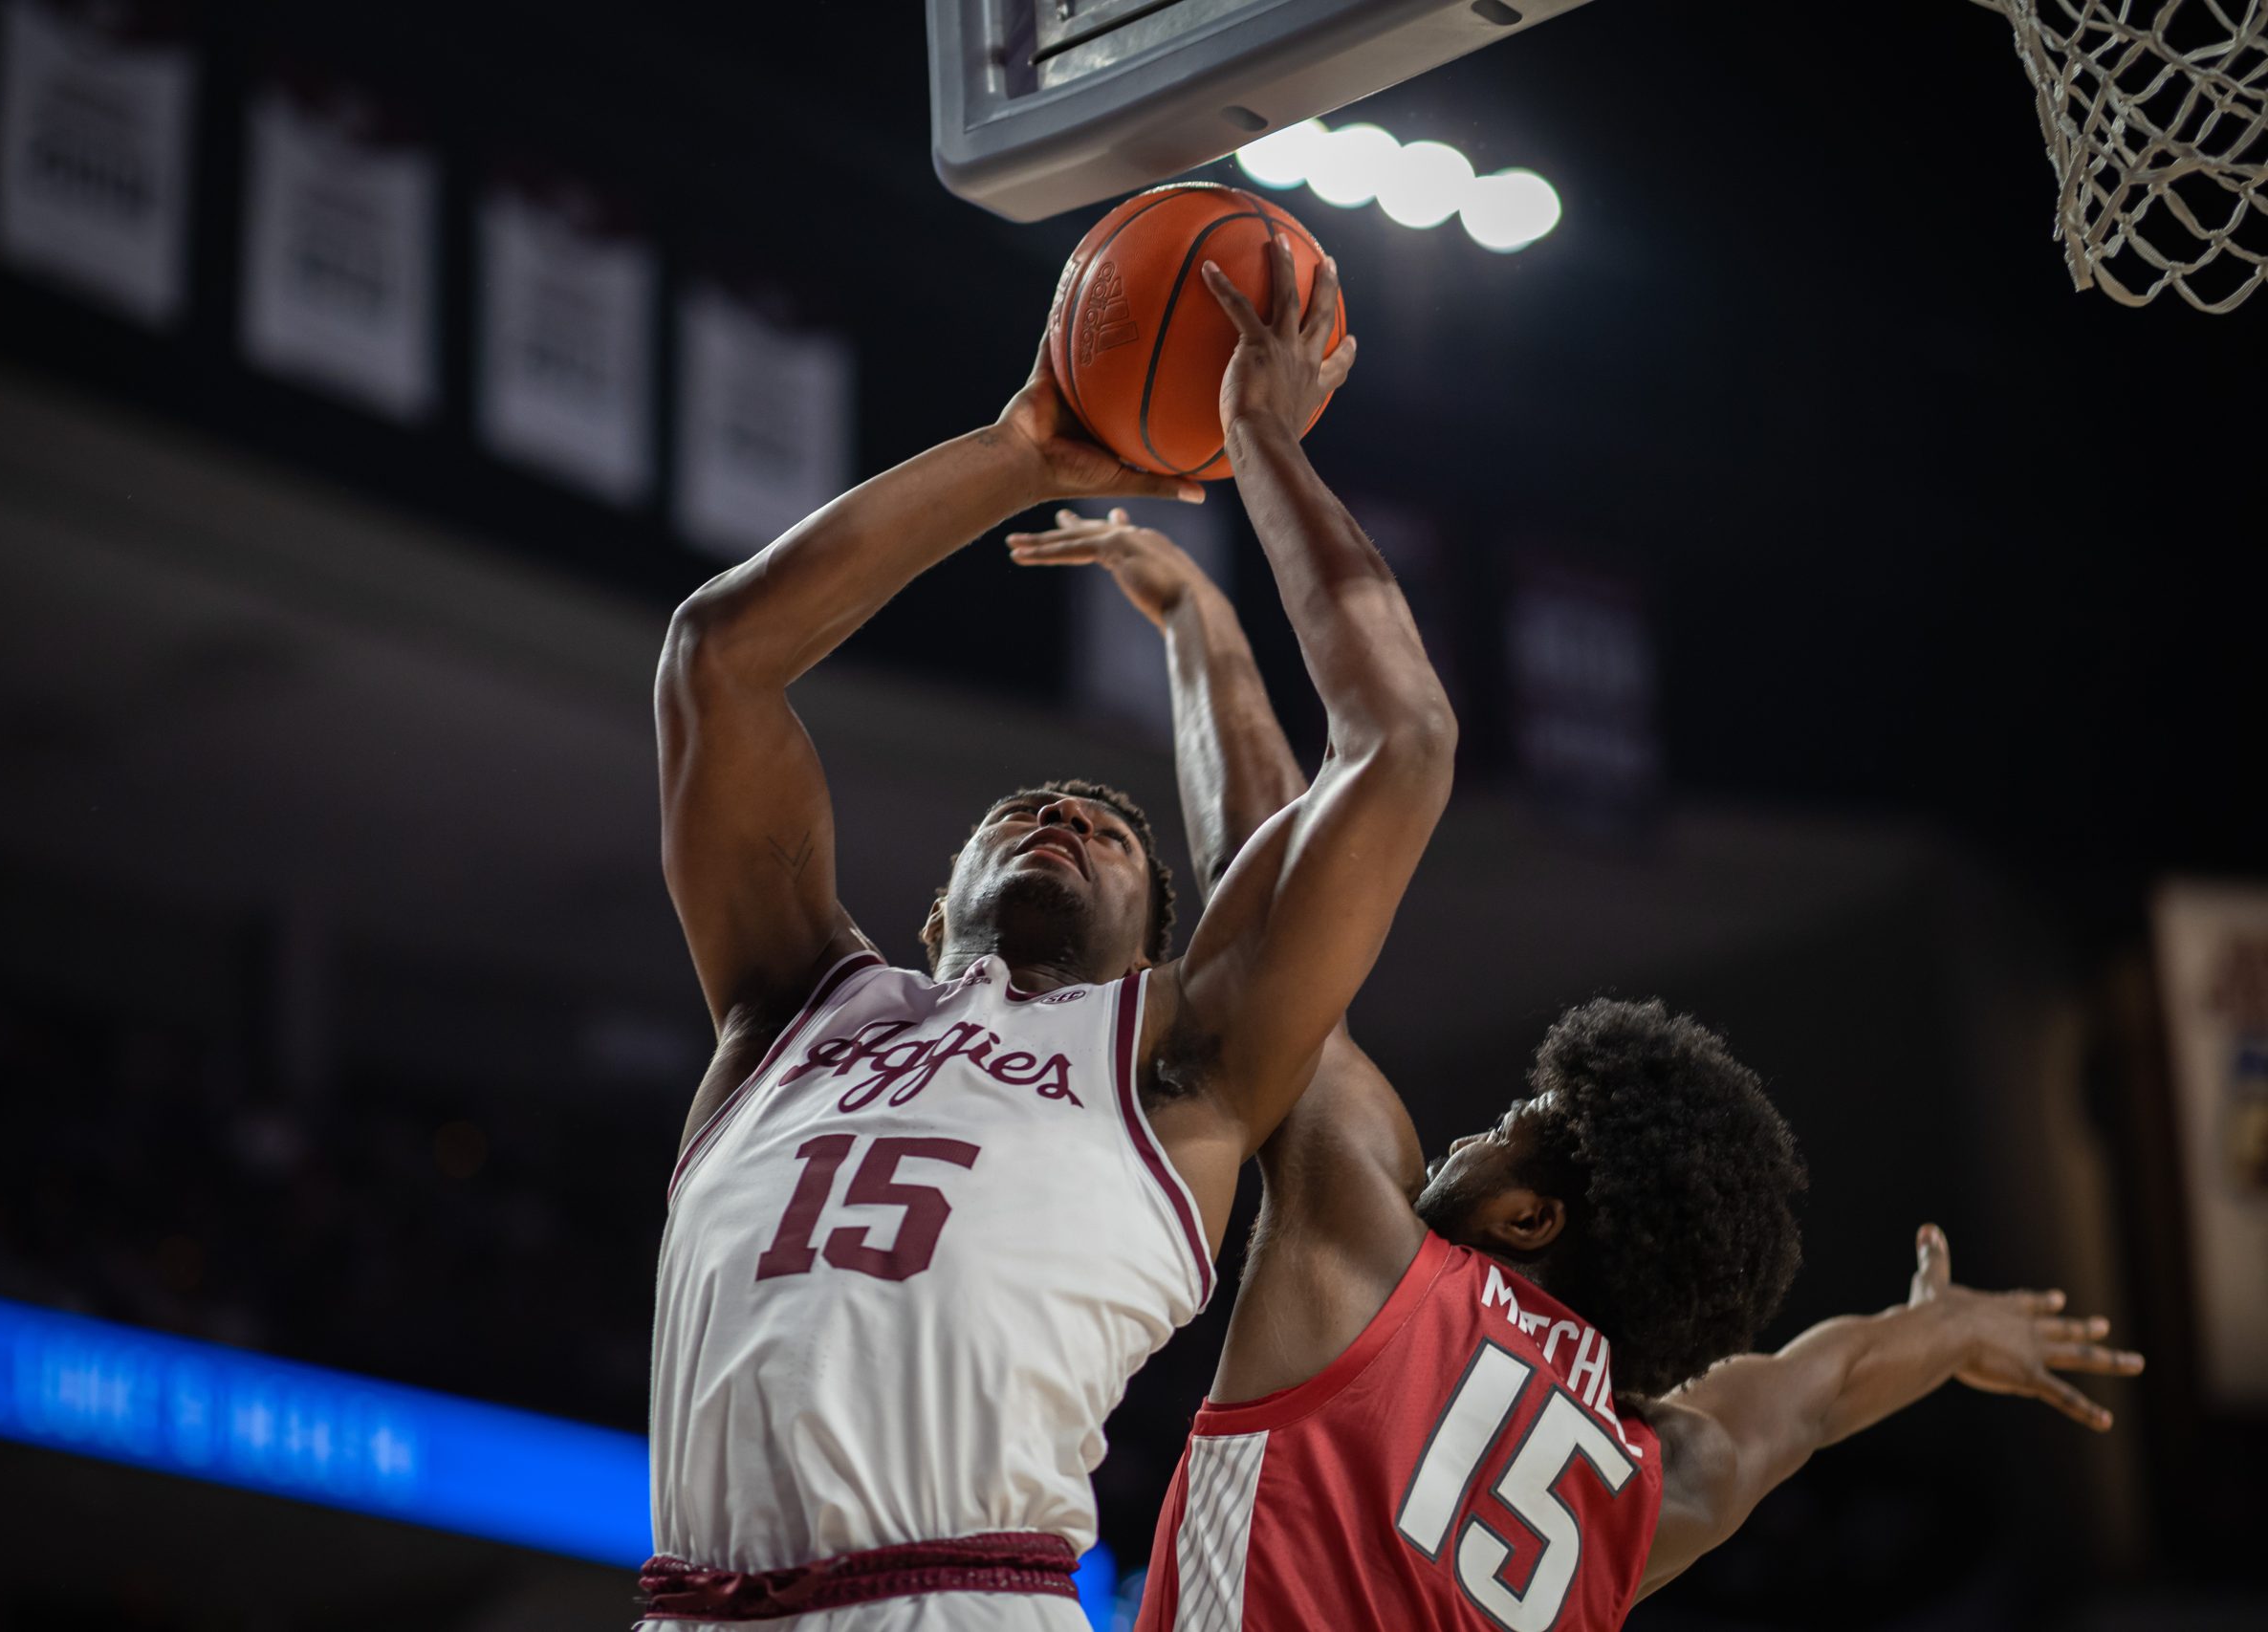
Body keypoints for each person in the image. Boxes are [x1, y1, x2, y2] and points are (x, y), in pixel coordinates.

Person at [1008, 511, 2145, 1631]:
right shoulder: (1665, 1479)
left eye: (1513, 1120)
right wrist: (1936, 1336)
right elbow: (1816, 1395)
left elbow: (1272, 896)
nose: (1469, 1135)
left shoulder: (1371, 1260)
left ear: (1529, 1215)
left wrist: (1199, 624)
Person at [641, 245, 1456, 1627]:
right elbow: (715, 657)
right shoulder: (793, 1009)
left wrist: (1257, 439)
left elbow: (1402, 739)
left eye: (1113, 830)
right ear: (928, 905)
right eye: (1028, 806)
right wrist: (1019, 450)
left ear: (1156, 952)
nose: (1068, 814)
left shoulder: (1176, 1061)